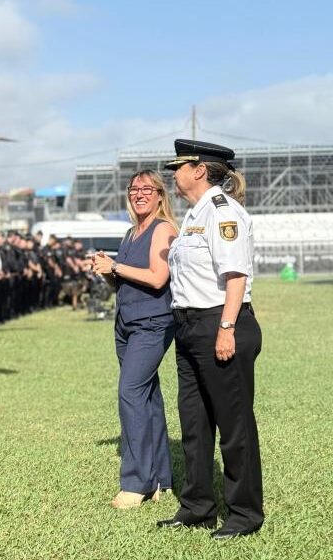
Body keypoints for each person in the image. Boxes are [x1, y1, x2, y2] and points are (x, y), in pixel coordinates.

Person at [157, 139, 263, 540]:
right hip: (190, 326)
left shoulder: (222, 213)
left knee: (234, 425)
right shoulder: (194, 215)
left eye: (179, 168)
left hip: (219, 323)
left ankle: (245, 514)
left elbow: (235, 276)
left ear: (199, 170)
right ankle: (197, 507)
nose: (174, 175)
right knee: (195, 423)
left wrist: (226, 328)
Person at [92, 170, 178, 509]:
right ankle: (160, 479)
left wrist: (115, 266)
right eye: (134, 189)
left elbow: (158, 278)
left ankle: (137, 482)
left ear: (159, 195)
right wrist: (106, 271)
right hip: (126, 323)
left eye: (146, 189)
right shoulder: (131, 233)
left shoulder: (163, 229)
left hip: (152, 324)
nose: (139, 194)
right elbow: (125, 281)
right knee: (147, 397)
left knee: (129, 392)